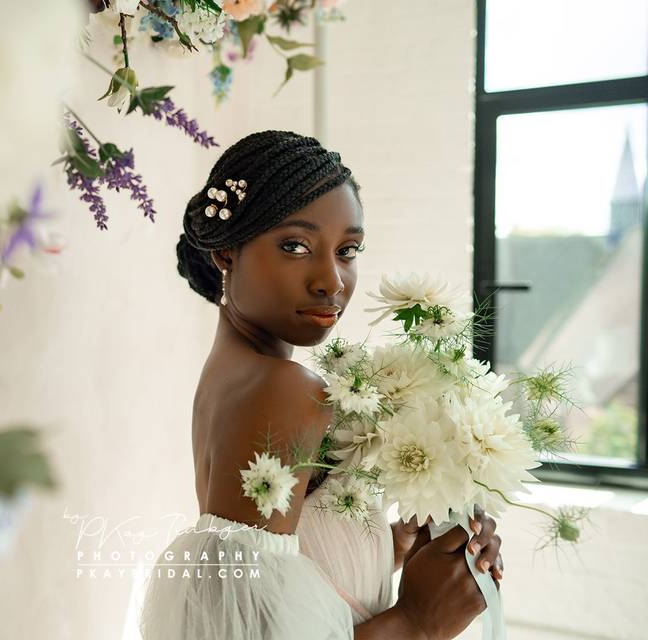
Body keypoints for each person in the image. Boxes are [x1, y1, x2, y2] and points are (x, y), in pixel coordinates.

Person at [138, 130, 503, 639]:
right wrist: (419, 622)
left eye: (348, 249)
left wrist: (387, 546)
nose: (331, 280)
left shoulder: (234, 377)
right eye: (296, 245)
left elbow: (273, 593)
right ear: (225, 252)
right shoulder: (283, 388)